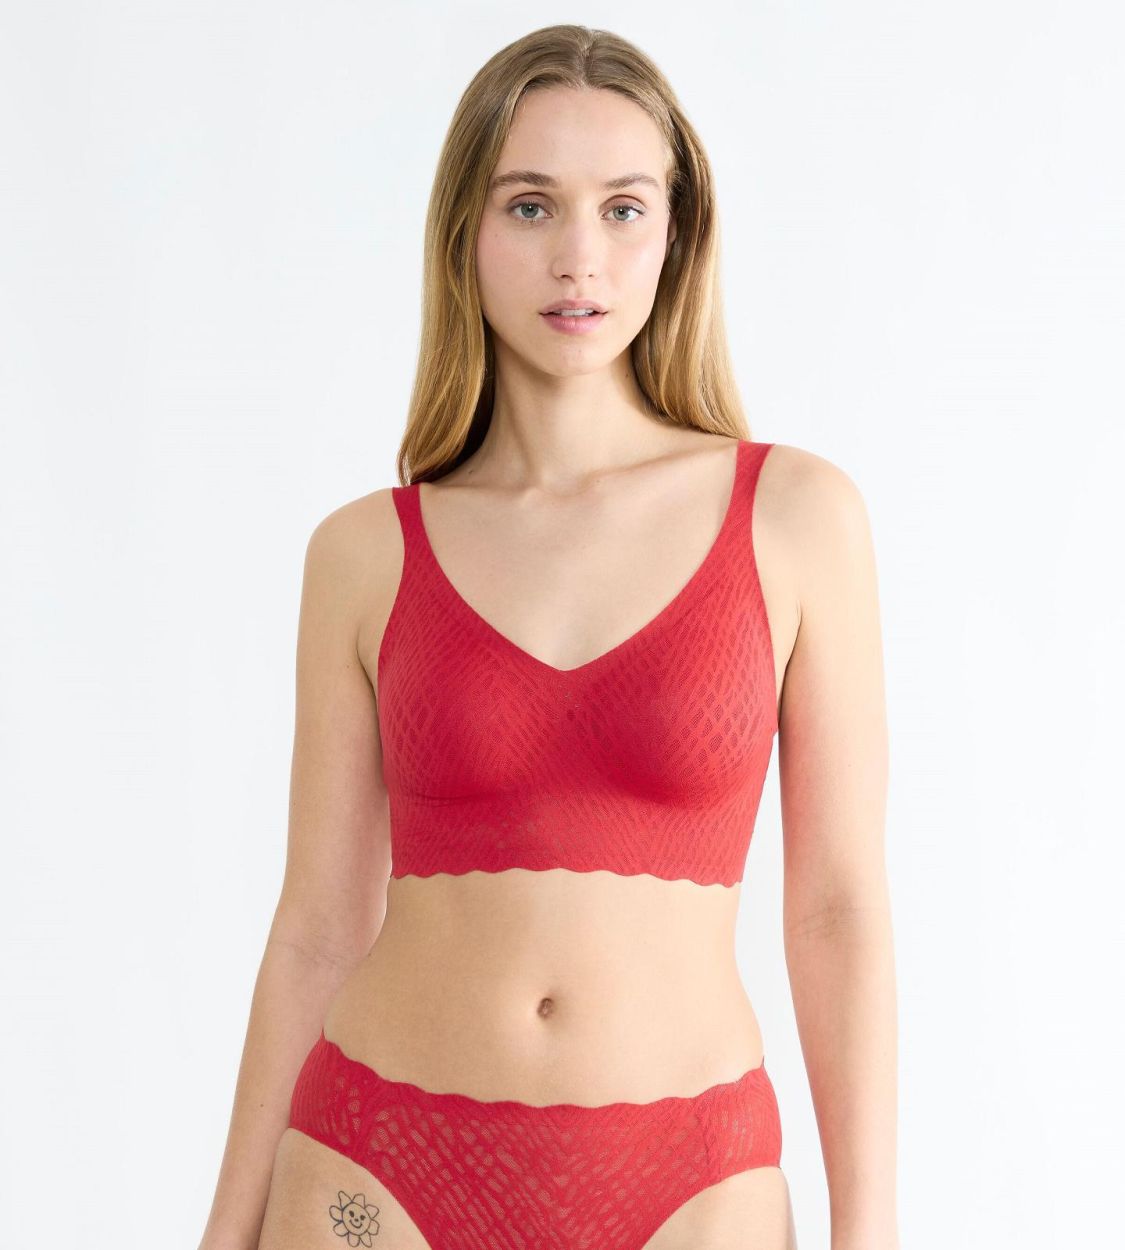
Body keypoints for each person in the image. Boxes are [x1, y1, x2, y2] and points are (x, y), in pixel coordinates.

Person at [199, 23, 897, 1250]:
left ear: (676, 234)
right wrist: (222, 1229)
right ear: (465, 231)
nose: (579, 258)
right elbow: (314, 926)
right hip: (381, 1165)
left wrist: (872, 1229)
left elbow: (836, 909)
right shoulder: (363, 552)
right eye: (531, 206)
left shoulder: (795, 517)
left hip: (691, 1177)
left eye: (623, 209)